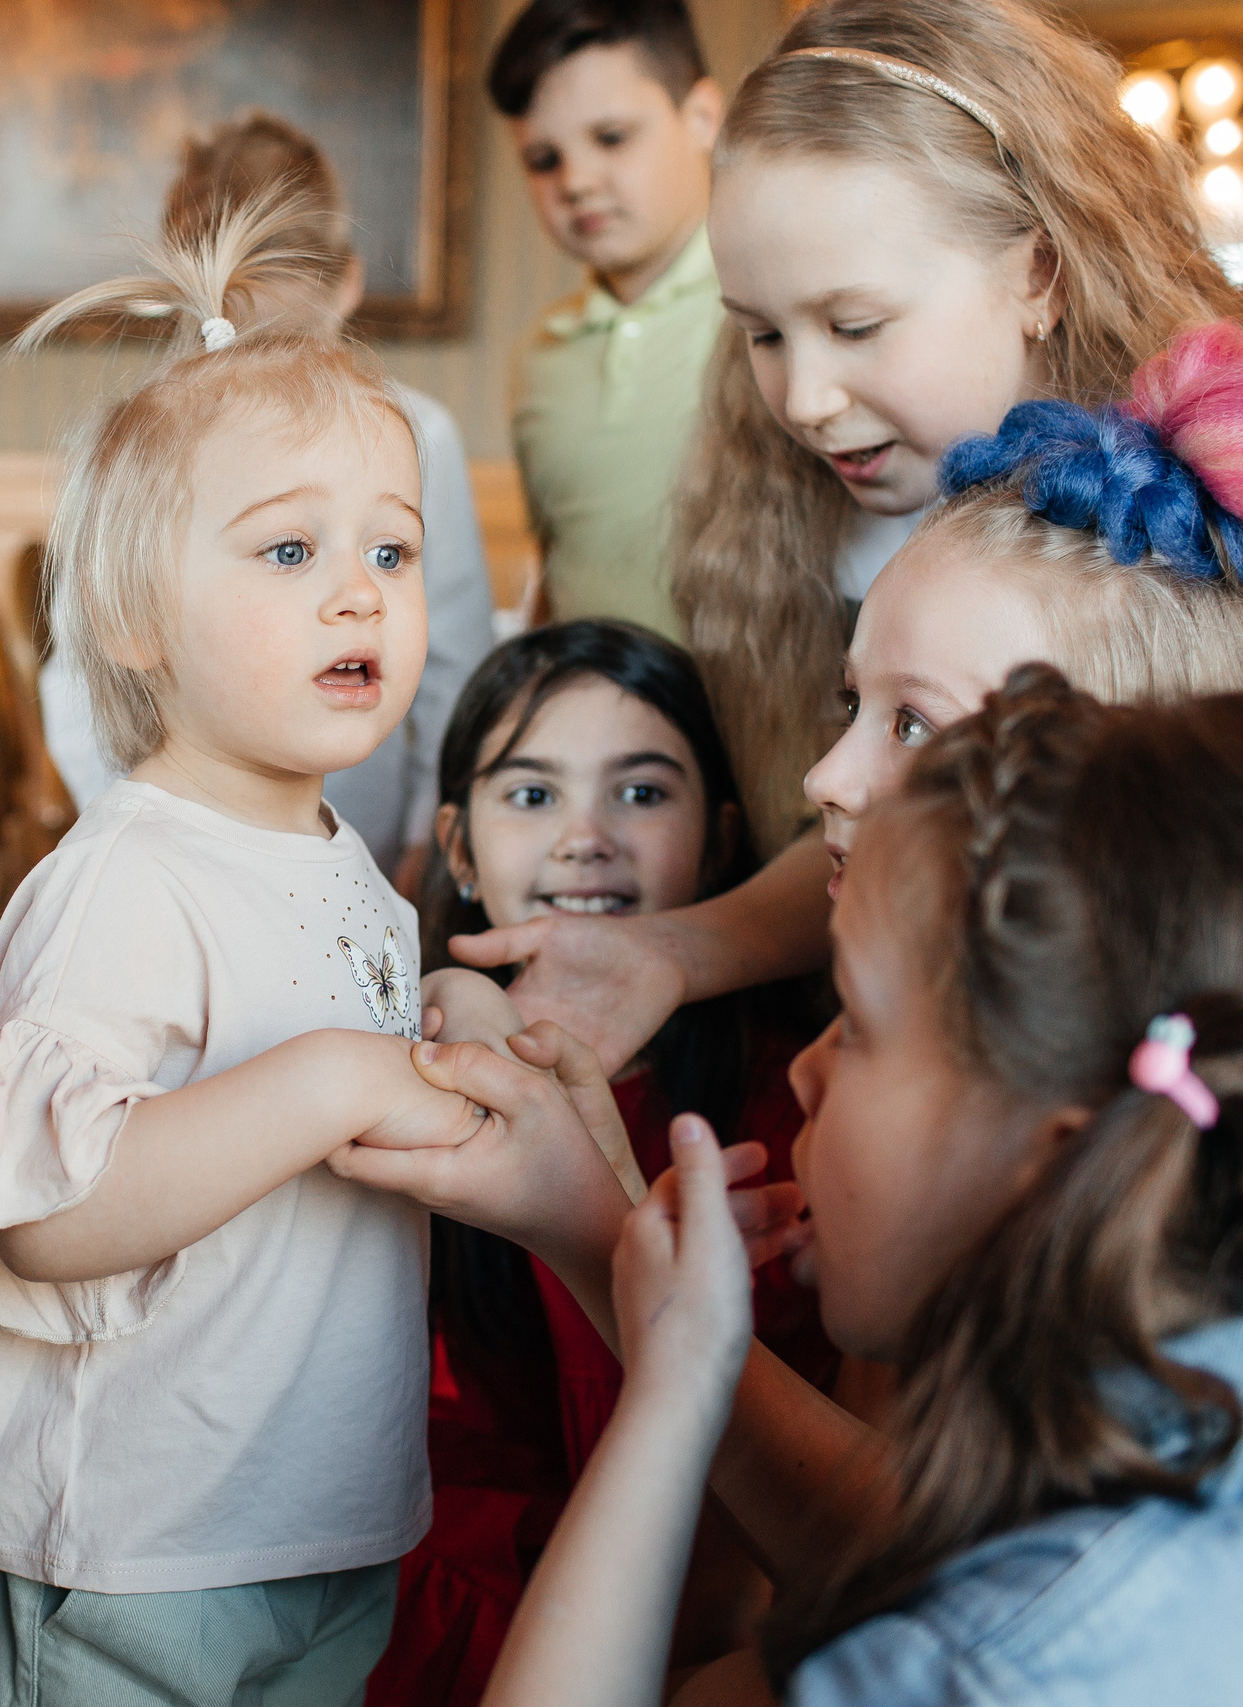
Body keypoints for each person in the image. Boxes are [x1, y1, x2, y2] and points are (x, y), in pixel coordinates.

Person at [466, 0, 1243, 1071]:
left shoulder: (1232, 502)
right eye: (759, 332)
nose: (804, 398)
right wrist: (674, 951)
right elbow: (897, 826)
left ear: (1037, 272)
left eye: (854, 326)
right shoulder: (853, 495)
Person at [447, 670, 1243, 1704]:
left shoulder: (983, 1667)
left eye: (852, 1024)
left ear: (1062, 1157)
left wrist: (671, 1397)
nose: (805, 1069)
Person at [0, 197, 574, 1707]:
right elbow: (50, 1215)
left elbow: (342, 1080)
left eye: (392, 547)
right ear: (135, 618)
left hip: (313, 1512)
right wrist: (331, 1075)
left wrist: (429, 1015)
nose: (358, 590)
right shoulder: (123, 881)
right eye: (292, 549)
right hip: (139, 1554)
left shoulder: (347, 873)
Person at [368, 620, 832, 1705]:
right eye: (532, 797)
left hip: (679, 1587)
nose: (585, 838)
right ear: (460, 849)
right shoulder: (399, 1061)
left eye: (641, 793)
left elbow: (724, 1564)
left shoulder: (784, 1109)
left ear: (720, 843)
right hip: (454, 1558)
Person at [36, 112, 496, 873]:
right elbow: (79, 671)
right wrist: (140, 821)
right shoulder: (141, 448)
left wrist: (428, 828)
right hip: (184, 838)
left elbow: (458, 668)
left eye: (387, 552)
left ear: (345, 285)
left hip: (365, 839)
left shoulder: (420, 438)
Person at [491, 0, 723, 632]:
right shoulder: (541, 357)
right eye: (543, 159)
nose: (577, 181)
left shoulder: (772, 319)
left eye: (612, 138)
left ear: (702, 117)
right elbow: (557, 569)